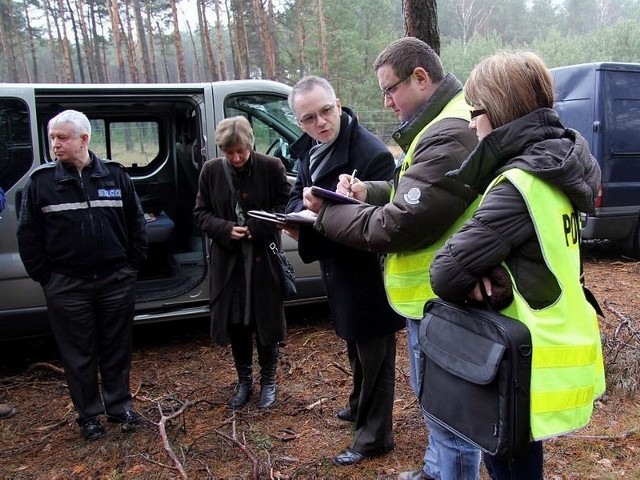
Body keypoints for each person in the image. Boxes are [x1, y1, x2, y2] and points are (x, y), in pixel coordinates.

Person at [304, 38, 481, 479]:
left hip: (443, 298)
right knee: (436, 404)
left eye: (390, 89)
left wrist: (330, 214)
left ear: (420, 77)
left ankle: (447, 471)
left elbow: (399, 225)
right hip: (430, 298)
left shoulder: (448, 131)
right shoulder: (436, 124)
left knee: (452, 414)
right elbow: (415, 193)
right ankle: (435, 468)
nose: (385, 101)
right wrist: (369, 191)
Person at [429, 51, 606, 479]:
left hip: (518, 359)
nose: (472, 124)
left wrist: (477, 275)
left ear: (500, 111)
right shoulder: (560, 166)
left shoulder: (518, 184)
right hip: (550, 341)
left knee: (510, 464)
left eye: (476, 112)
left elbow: (444, 273)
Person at [285, 76, 405, 466]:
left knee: (375, 354)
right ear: (299, 123)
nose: (320, 122)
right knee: (354, 342)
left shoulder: (370, 152)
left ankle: (374, 437)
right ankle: (357, 406)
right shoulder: (310, 150)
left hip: (368, 270)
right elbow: (296, 194)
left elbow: (382, 219)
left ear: (338, 104)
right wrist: (293, 215)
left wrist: (318, 217)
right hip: (336, 265)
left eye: (325, 111)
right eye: (309, 118)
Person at [17, 109, 148, 441]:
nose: (55, 145)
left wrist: (130, 267)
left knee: (117, 347)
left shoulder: (116, 177)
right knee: (79, 354)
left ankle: (119, 407)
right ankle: (89, 415)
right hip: (67, 284)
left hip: (115, 281)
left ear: (84, 139)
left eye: (62, 138)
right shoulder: (42, 183)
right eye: (53, 138)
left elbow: (137, 224)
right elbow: (28, 237)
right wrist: (47, 277)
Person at [194, 116, 291, 410]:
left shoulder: (271, 167)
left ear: (250, 145)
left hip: (263, 258)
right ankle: (244, 381)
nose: (235, 158)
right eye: (229, 152)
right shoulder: (211, 171)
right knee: (237, 322)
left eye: (240, 151)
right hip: (229, 261)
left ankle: (269, 382)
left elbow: (286, 205)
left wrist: (257, 225)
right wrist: (225, 229)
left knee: (266, 320)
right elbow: (200, 213)